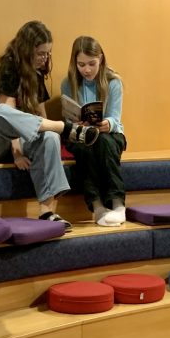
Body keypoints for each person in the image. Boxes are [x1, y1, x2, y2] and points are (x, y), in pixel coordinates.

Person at [0, 20, 99, 231]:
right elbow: (8, 116)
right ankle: (64, 127)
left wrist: (51, 134)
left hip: (20, 139)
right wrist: (17, 153)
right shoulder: (7, 68)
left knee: (50, 136)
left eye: (47, 53)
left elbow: (41, 115)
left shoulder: (36, 76)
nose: (44, 58)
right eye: (40, 53)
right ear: (26, 49)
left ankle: (47, 211)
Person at [61, 36, 127, 226]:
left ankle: (118, 205)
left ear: (101, 59)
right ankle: (97, 207)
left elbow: (115, 118)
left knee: (104, 142)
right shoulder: (68, 83)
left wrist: (107, 123)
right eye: (81, 64)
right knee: (85, 148)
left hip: (109, 134)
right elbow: (68, 119)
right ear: (74, 63)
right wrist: (78, 124)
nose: (87, 70)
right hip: (81, 136)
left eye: (92, 64)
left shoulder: (113, 82)